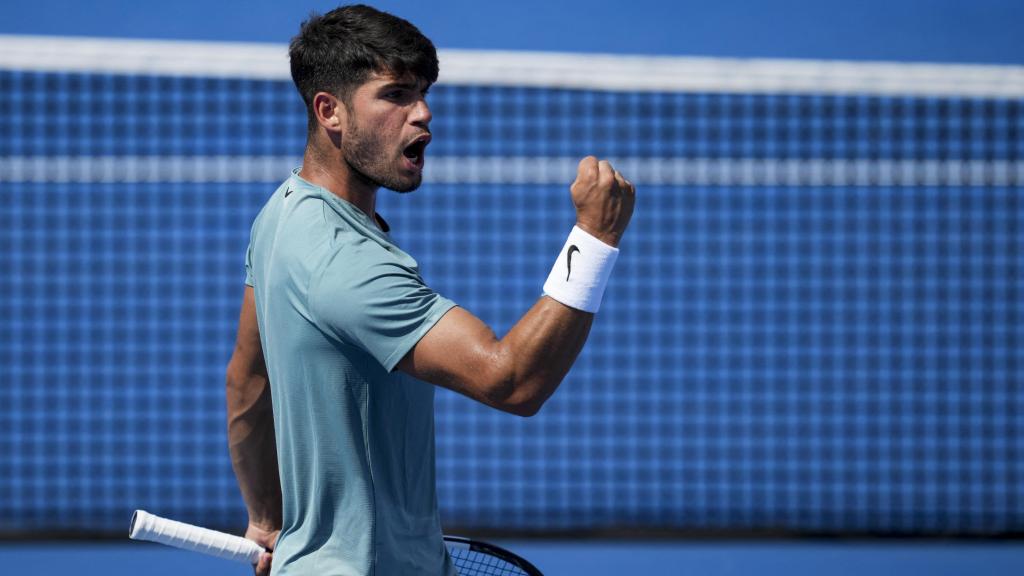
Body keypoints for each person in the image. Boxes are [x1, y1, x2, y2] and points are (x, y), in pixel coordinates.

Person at [225, 4, 635, 575]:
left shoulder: (279, 216)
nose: (423, 114)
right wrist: (596, 237)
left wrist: (267, 519)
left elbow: (248, 380)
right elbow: (511, 379)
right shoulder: (346, 262)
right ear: (330, 112)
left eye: (422, 92)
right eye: (395, 95)